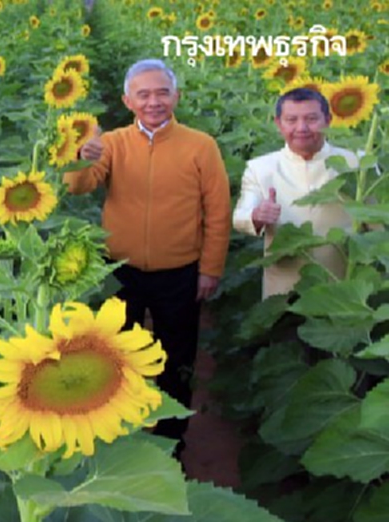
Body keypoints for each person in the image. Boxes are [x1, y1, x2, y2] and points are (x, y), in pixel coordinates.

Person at [63, 58, 231, 449]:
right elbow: (79, 187)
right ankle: (125, 438)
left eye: (162, 92)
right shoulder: (112, 143)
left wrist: (211, 269)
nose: (154, 101)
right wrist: (79, 158)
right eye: (144, 94)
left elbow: (219, 212)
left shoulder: (201, 146)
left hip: (181, 271)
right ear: (127, 100)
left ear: (177, 96)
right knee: (119, 357)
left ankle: (172, 442)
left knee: (176, 360)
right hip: (121, 271)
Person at [233, 88, 359, 299]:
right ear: (278, 123)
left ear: (328, 120)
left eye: (311, 119)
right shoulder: (261, 168)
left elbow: (378, 225)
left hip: (344, 290)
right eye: (291, 120)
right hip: (284, 291)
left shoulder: (355, 163)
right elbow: (240, 216)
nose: (301, 128)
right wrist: (256, 216)